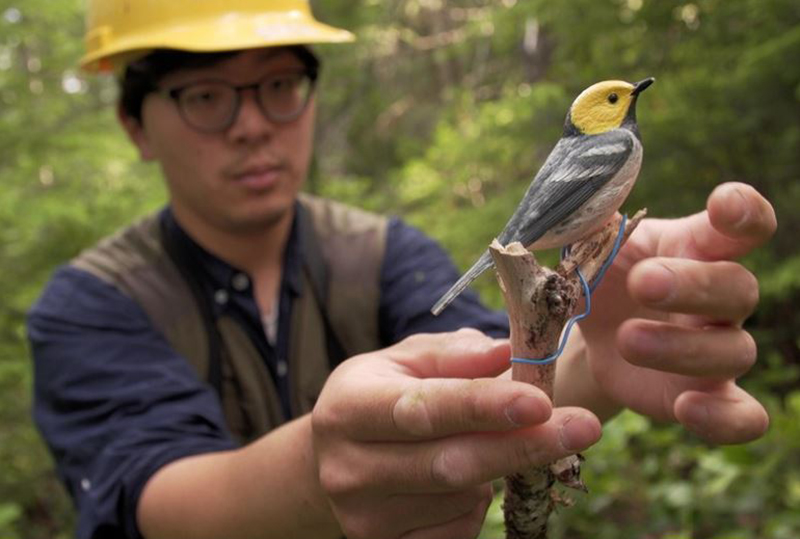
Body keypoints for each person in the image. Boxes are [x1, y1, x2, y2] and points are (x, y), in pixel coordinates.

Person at [27, 2, 777, 539]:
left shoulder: (385, 253)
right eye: (204, 94)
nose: (252, 124)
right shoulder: (91, 303)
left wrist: (588, 350)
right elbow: (158, 502)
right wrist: (321, 468)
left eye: (280, 86)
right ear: (134, 123)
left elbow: (493, 378)